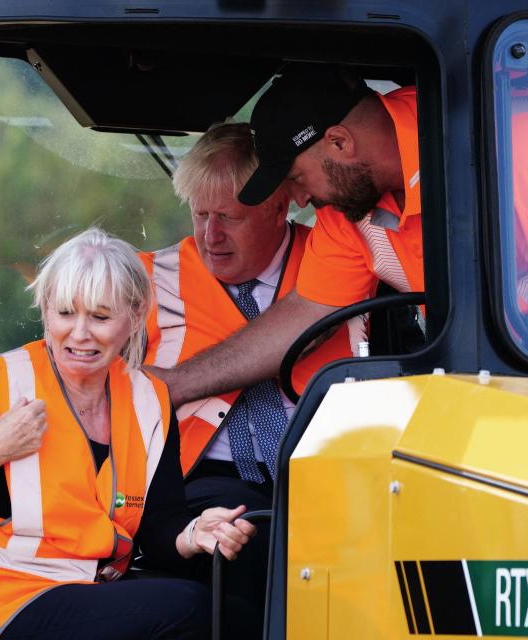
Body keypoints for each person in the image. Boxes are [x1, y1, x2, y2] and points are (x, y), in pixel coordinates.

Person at [0, 228, 257, 640]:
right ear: (44, 310)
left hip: (85, 590)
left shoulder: (149, 401)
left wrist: (193, 534)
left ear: (134, 318)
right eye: (64, 313)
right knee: (189, 608)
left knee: (236, 614)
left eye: (99, 317)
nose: (79, 333)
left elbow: (158, 525)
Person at [139, 123, 364, 639]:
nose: (210, 236)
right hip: (199, 474)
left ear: (278, 207)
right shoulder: (146, 282)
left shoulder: (343, 264)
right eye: (200, 214)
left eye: (229, 218)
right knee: (250, 547)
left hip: (327, 474)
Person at [149, 65, 423, 407]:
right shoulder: (347, 211)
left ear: (339, 142)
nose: (299, 199)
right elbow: (310, 310)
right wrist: (174, 385)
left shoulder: (494, 139)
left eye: (297, 178)